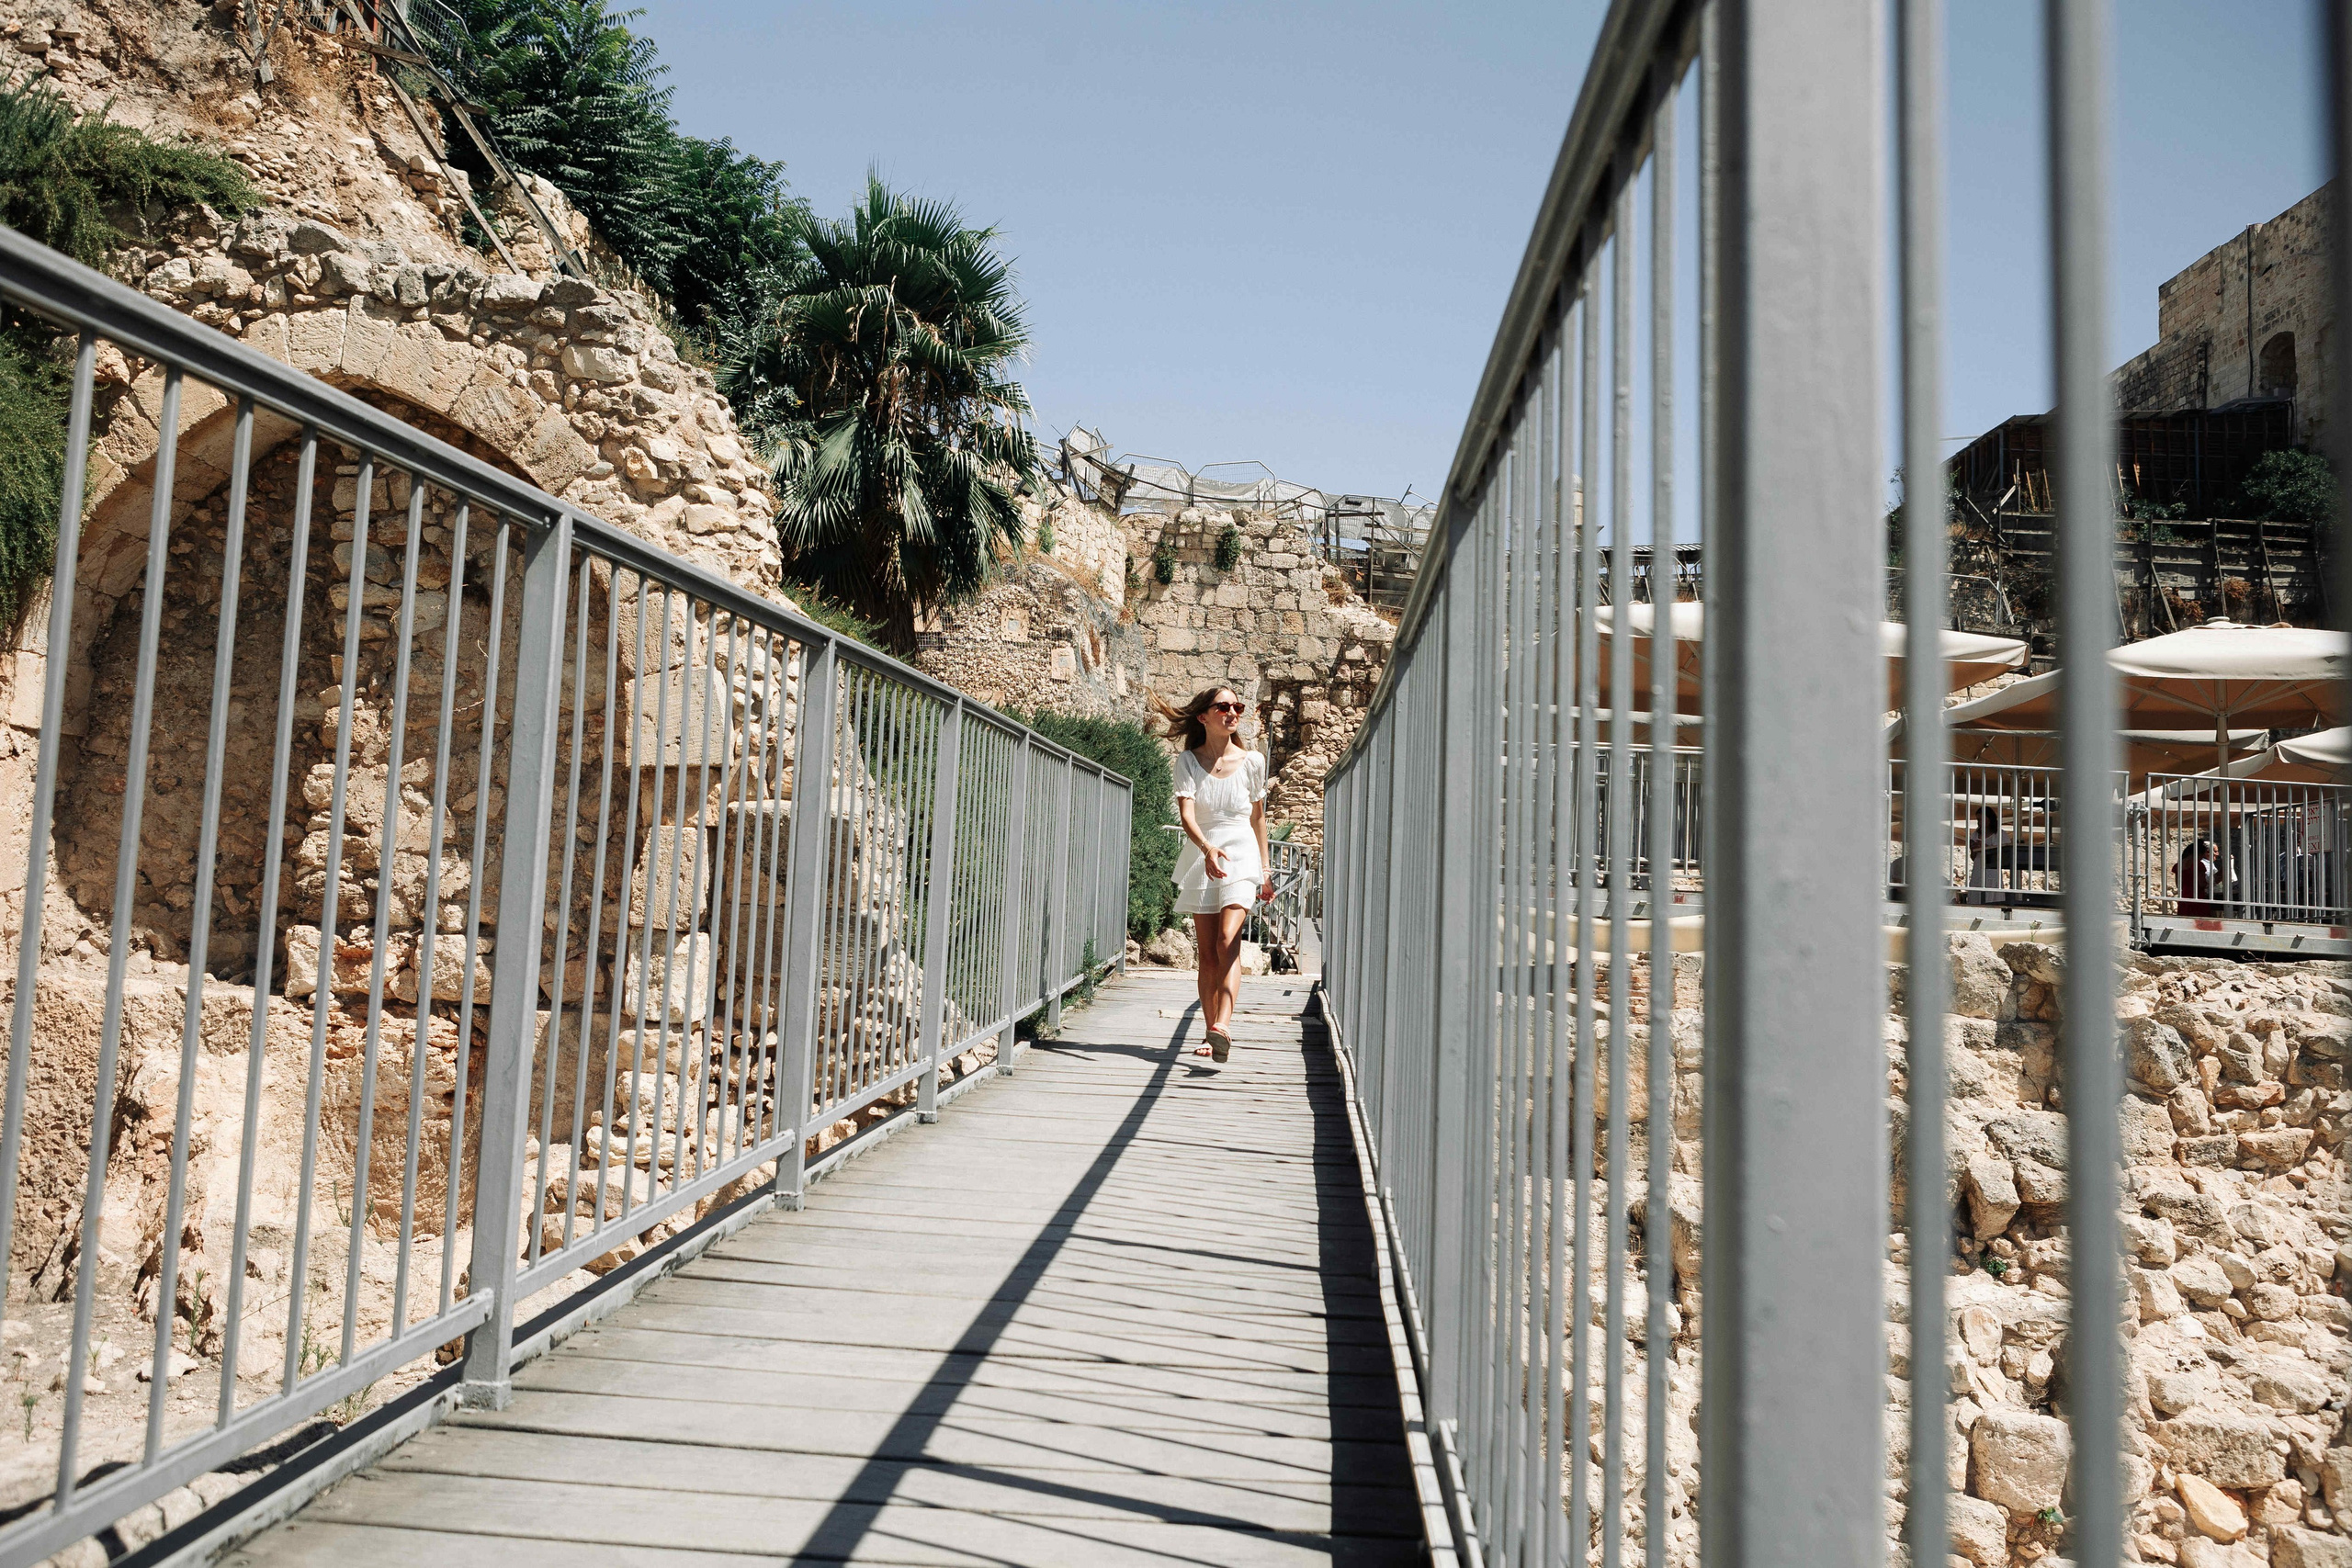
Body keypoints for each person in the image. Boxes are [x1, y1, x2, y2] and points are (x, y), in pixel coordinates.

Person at [1155, 685, 1273, 1063]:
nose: (1232, 712)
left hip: (1242, 855)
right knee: (1206, 954)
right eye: (1223, 706)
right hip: (1204, 854)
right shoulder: (1188, 762)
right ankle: (1211, 1033)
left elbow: (1258, 819)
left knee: (1227, 940)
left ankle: (1223, 1024)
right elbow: (1187, 816)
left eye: (1237, 706)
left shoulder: (1253, 761)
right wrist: (1207, 848)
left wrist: (1266, 870)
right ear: (1203, 716)